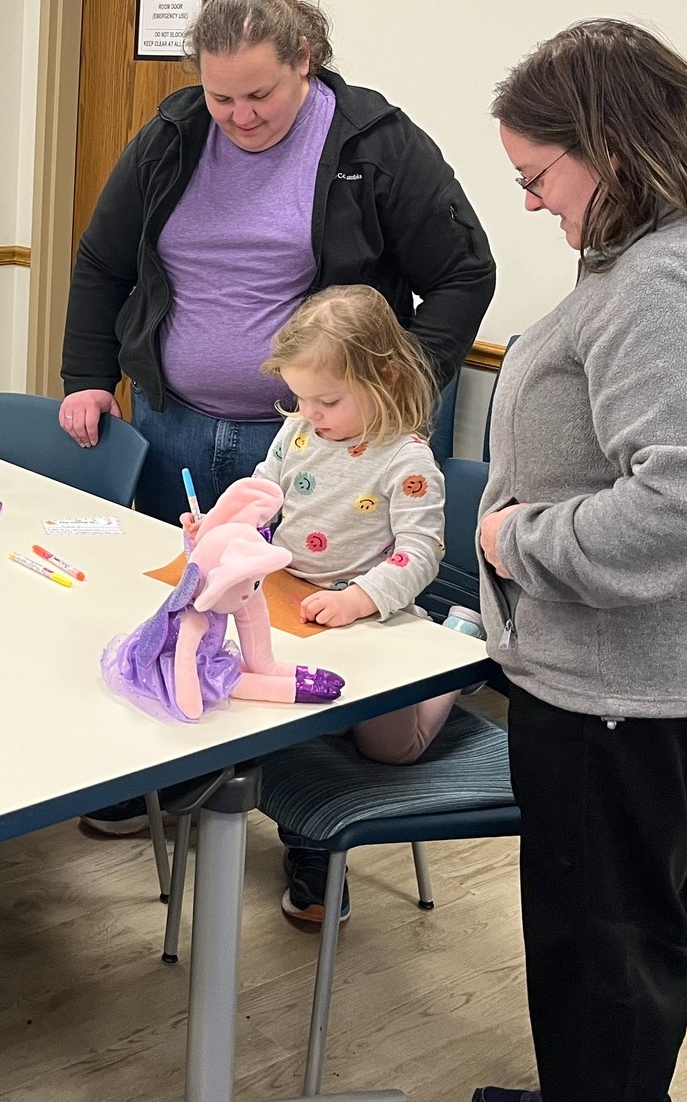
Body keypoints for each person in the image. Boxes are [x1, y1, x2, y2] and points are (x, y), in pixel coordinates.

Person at [63, 0, 493, 836]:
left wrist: (398, 391)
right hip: (176, 417)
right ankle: (173, 779)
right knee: (194, 606)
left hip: (318, 443)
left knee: (303, 636)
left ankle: (302, 829)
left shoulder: (376, 144)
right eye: (221, 96)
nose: (239, 115)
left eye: (259, 94)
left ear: (305, 62)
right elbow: (103, 260)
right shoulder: (175, 135)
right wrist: (86, 372)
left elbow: (463, 273)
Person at [472, 21, 687, 1102]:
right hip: (639, 689)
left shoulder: (662, 279)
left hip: (622, 704)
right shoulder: (660, 251)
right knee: (623, 963)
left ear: (606, 147)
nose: (530, 202)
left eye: (536, 175)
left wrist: (519, 541)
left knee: (607, 963)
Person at [242, 284, 450, 928]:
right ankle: (310, 848)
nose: (309, 413)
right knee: (269, 716)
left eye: (327, 400)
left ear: (384, 377)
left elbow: (421, 552)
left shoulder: (407, 459)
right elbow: (264, 491)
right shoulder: (298, 432)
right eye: (300, 397)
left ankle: (456, 657)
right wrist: (232, 522)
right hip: (295, 608)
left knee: (389, 749)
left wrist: (361, 597)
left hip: (370, 619)